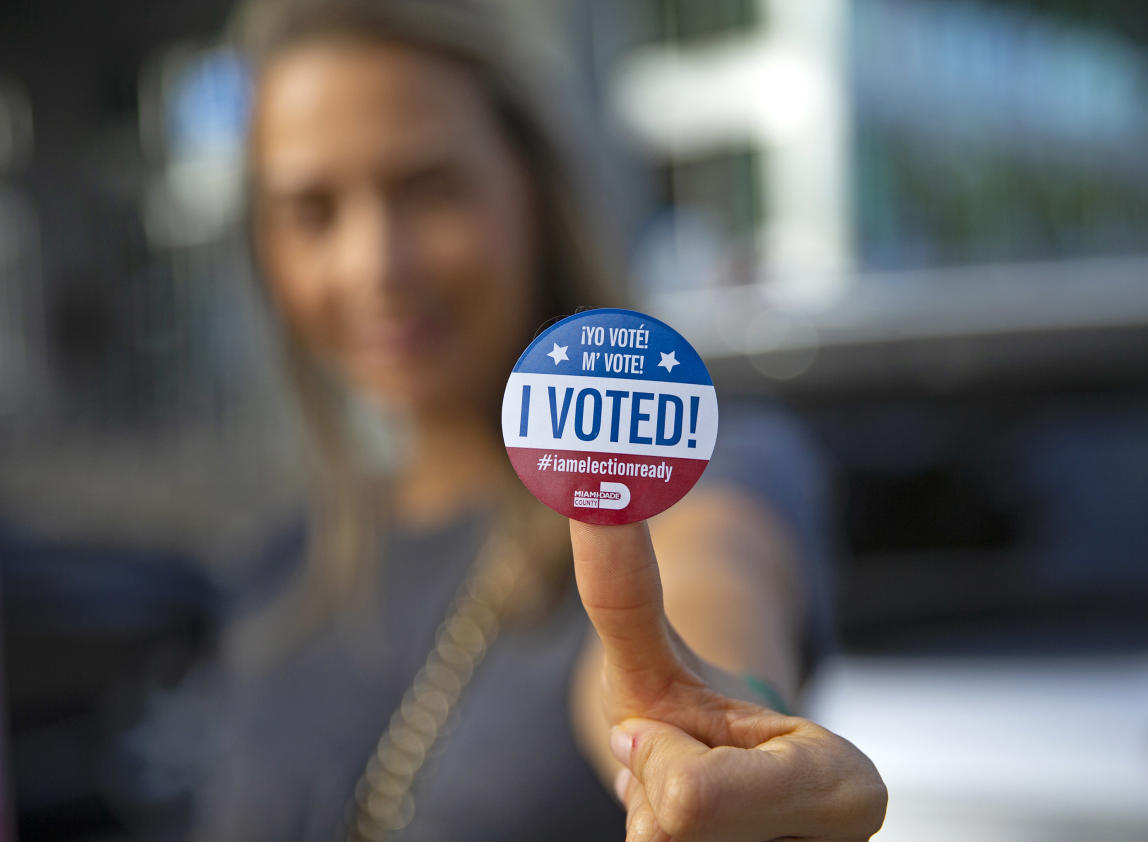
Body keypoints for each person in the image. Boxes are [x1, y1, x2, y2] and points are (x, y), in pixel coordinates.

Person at [192, 0, 887, 839]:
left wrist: (718, 728)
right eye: (313, 211)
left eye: (429, 188)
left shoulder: (681, 467)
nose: (376, 263)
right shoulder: (279, 567)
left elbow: (710, 577)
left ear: (533, 191)